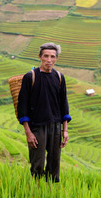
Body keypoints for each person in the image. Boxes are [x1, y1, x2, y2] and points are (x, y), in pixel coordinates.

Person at [17, 42, 71, 182]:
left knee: (54, 164)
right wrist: (28, 133)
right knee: (38, 164)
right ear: (40, 57)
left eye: (52, 56)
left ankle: (51, 192)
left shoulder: (59, 77)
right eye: (46, 56)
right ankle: (36, 192)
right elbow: (22, 107)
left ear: (56, 58)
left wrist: (64, 130)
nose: (49, 60)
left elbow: (63, 104)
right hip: (37, 126)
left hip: (55, 126)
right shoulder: (30, 77)